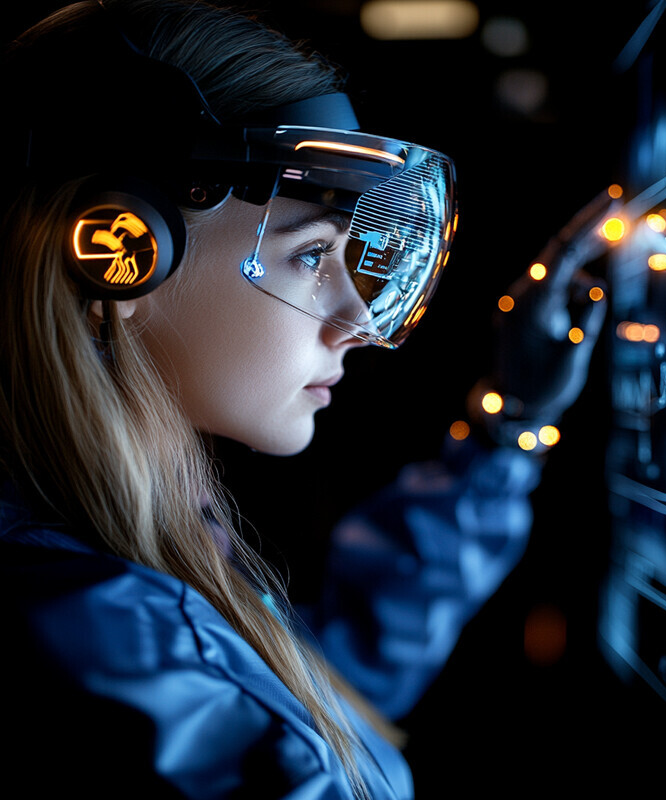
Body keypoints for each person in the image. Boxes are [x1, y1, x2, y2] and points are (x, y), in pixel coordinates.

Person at [0, 0, 611, 796]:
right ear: (122, 251)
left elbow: (316, 698)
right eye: (311, 255)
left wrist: (507, 425)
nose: (357, 320)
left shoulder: (137, 560)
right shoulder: (92, 639)